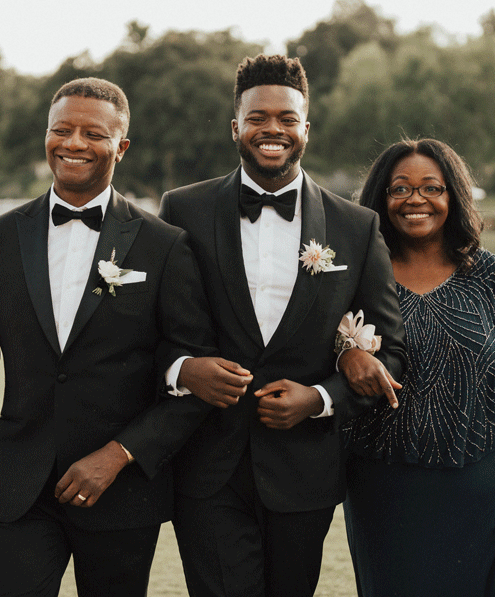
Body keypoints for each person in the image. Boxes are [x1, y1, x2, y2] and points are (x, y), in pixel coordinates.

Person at [0, 77, 217, 597]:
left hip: (121, 492)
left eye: (93, 134)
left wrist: (118, 454)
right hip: (18, 491)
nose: (73, 143)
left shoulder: (163, 247)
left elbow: (191, 384)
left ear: (122, 146)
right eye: (61, 130)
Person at [158, 54, 408, 597]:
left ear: (306, 130)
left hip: (305, 472)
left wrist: (320, 397)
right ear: (236, 127)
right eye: (258, 118)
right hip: (208, 467)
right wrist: (184, 368)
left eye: (287, 119)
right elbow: (150, 330)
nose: (272, 129)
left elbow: (391, 355)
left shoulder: (356, 227)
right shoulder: (183, 210)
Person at [340, 138, 495, 596]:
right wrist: (344, 353)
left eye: (431, 187)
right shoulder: (359, 274)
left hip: (477, 489)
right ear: (381, 198)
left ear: (453, 196)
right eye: (400, 189)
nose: (416, 200)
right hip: (381, 485)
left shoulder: (490, 276)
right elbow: (319, 350)